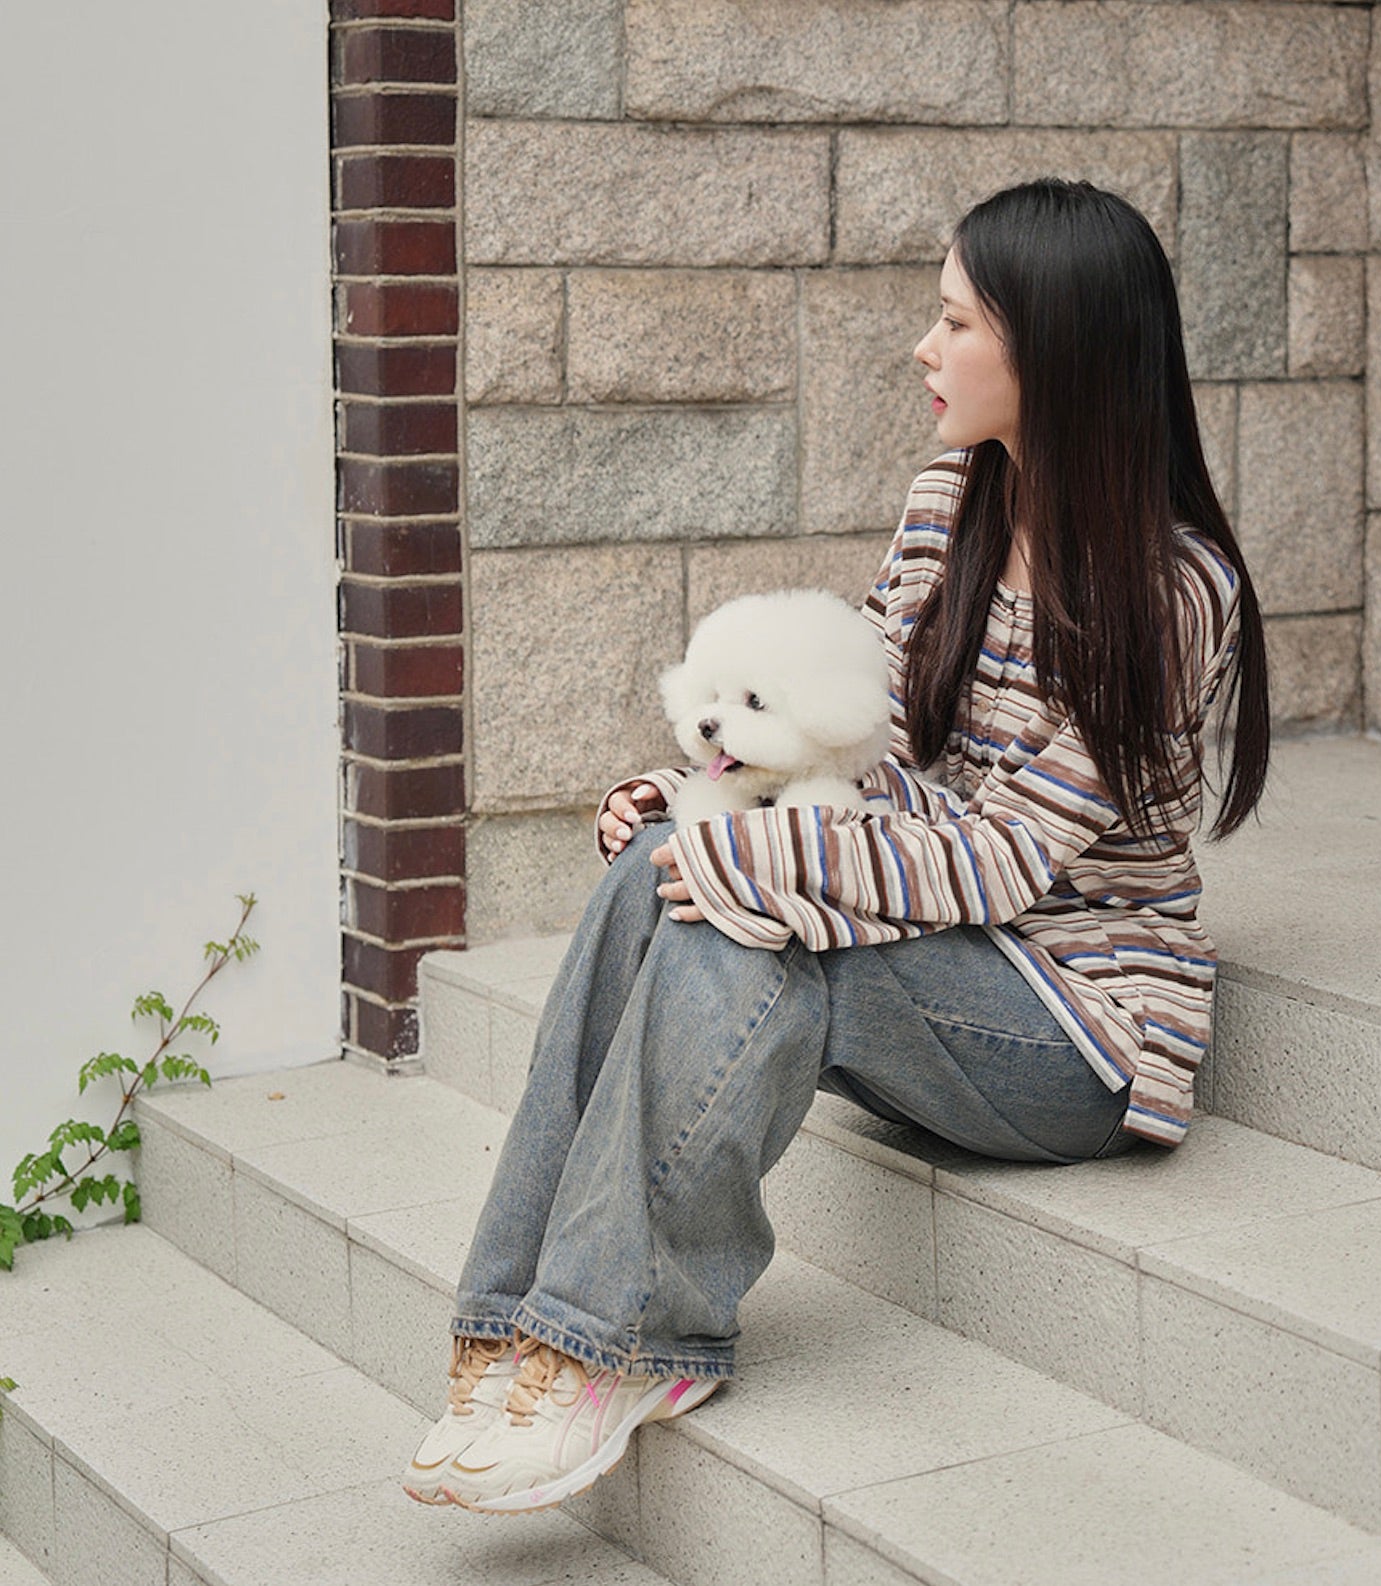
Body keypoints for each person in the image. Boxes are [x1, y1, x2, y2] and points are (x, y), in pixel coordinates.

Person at [402, 177, 1269, 1515]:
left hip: (1074, 1023)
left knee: (748, 920)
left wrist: (759, 865)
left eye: (956, 322)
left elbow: (1000, 862)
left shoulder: (1172, 587)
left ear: (1055, 347)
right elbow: (854, 736)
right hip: (942, 957)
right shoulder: (950, 501)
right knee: (658, 869)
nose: (925, 349)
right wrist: (697, 793)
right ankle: (510, 1327)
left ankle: (619, 1347)